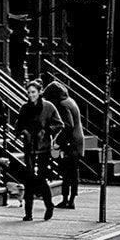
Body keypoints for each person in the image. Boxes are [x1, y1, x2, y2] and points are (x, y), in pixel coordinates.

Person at [13, 81, 60, 224]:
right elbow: (18, 125)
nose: (31, 95)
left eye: (33, 92)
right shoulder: (25, 108)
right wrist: (23, 131)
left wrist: (46, 131)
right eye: (28, 92)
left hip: (43, 148)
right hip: (29, 148)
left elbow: (59, 124)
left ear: (39, 92)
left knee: (40, 178)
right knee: (29, 179)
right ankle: (28, 213)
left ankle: (49, 205)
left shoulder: (48, 107)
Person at [46, 80, 83, 209]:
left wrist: (58, 141)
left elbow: (67, 125)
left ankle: (67, 199)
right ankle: (70, 199)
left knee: (68, 172)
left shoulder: (62, 104)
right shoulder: (70, 101)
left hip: (71, 142)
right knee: (73, 172)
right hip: (77, 140)